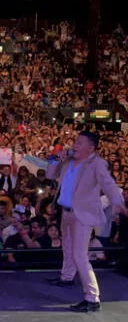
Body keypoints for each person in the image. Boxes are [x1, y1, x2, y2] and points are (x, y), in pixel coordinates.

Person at [45, 131, 127, 313]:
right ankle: (67, 277)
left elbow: (109, 184)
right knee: (67, 247)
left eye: (80, 142)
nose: (75, 145)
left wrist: (118, 202)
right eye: (76, 141)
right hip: (66, 212)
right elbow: (50, 175)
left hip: (82, 215)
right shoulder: (68, 160)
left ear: (90, 148)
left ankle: (92, 297)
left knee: (80, 256)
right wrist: (54, 159)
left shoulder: (97, 164)